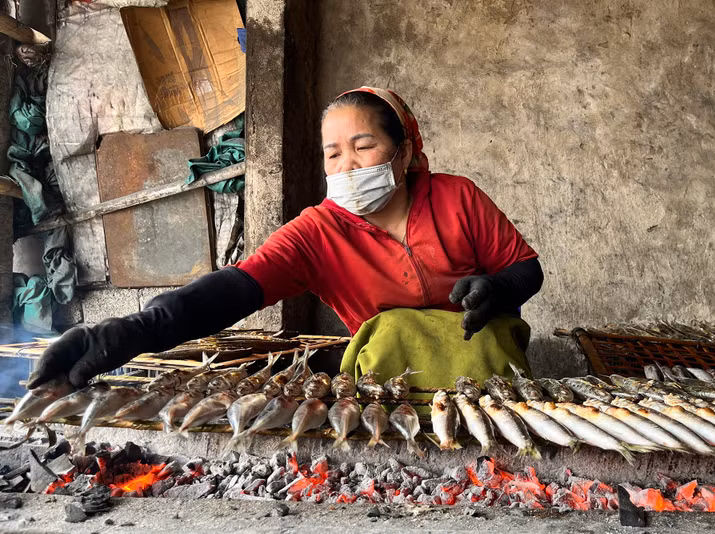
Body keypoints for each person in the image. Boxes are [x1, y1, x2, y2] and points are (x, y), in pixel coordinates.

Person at [29, 87, 543, 392]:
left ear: (404, 153)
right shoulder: (318, 232)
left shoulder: (457, 197)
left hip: (491, 379)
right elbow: (233, 289)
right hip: (396, 386)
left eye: (364, 146)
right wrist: (122, 335)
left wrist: (495, 291)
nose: (347, 165)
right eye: (333, 153)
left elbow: (527, 269)